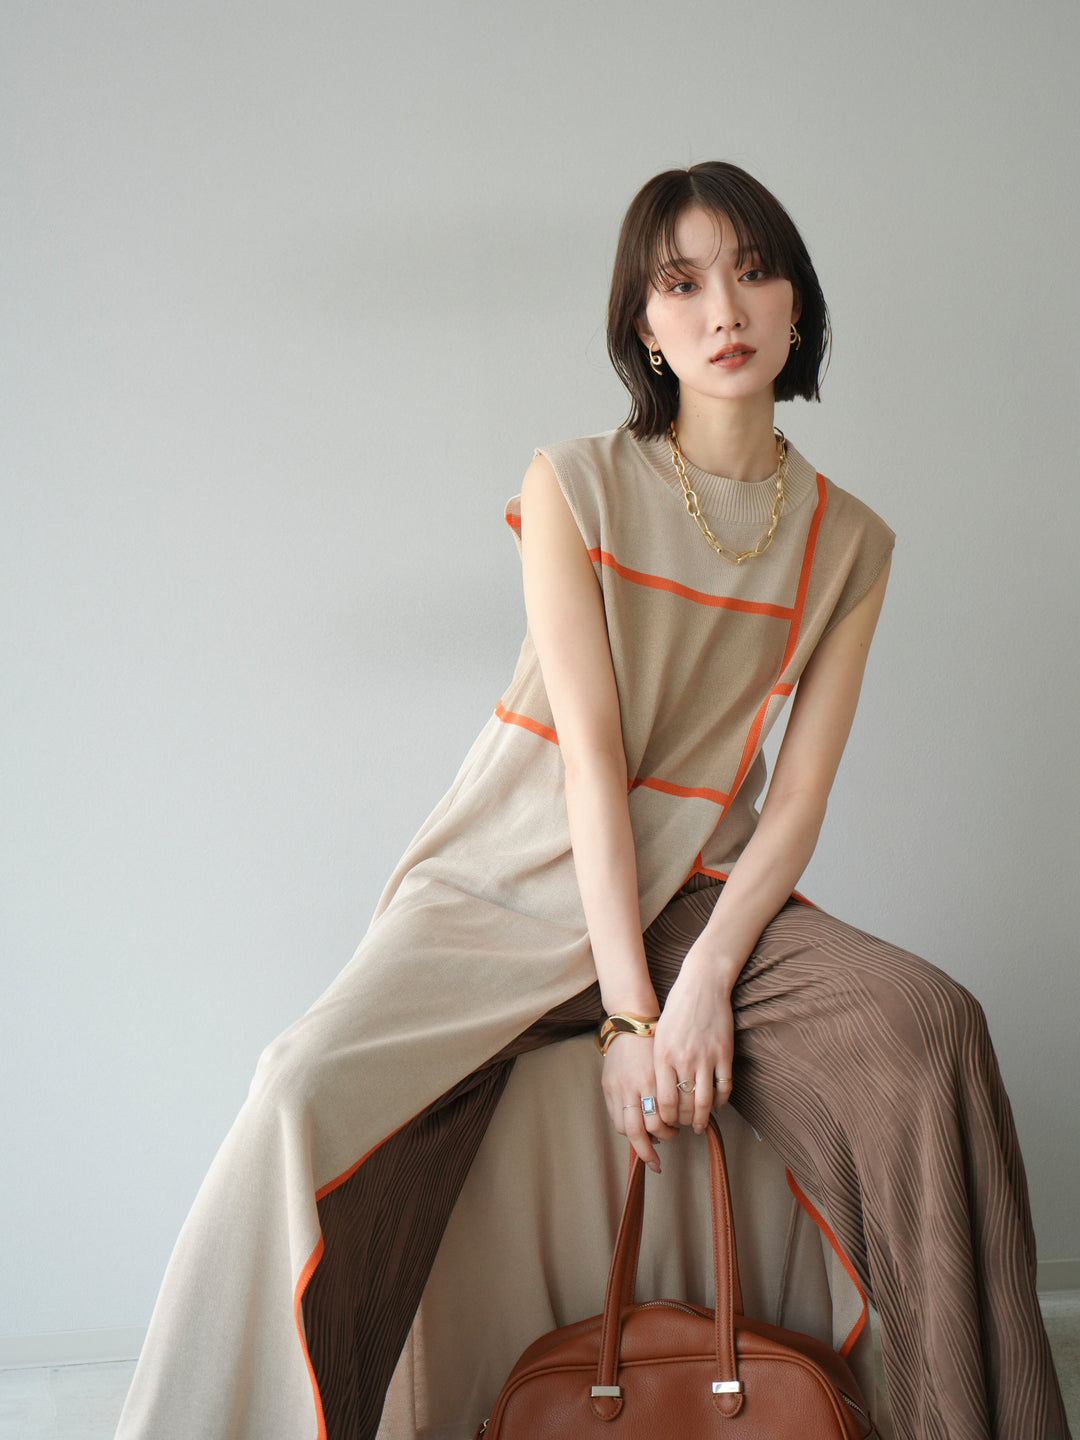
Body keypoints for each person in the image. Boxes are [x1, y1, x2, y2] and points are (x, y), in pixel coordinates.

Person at [116, 162, 1070, 1440]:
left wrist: (705, 981)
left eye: (754, 272)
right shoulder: (573, 485)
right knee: (297, 1087)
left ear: (796, 304)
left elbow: (793, 802)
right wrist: (630, 1020)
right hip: (510, 882)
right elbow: (588, 765)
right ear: (644, 327)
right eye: (682, 284)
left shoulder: (850, 542)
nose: (724, 309)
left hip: (700, 893)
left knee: (929, 1026)